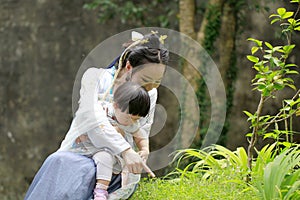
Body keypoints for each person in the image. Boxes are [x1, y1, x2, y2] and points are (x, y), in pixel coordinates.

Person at [25, 31, 169, 200]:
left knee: (102, 170)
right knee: (61, 162)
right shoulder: (95, 78)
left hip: (116, 163)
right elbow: (92, 119)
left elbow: (142, 128)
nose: (152, 87)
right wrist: (125, 150)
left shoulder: (150, 92)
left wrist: (143, 151)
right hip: (81, 151)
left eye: (157, 82)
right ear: (129, 66)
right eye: (146, 79)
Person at [59, 81, 154, 200]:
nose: (132, 122)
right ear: (115, 105)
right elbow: (91, 125)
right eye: (130, 117)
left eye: (137, 119)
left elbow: (141, 136)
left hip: (105, 152)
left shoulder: (132, 122)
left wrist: (144, 149)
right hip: (85, 147)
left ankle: (101, 190)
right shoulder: (101, 111)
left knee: (105, 158)